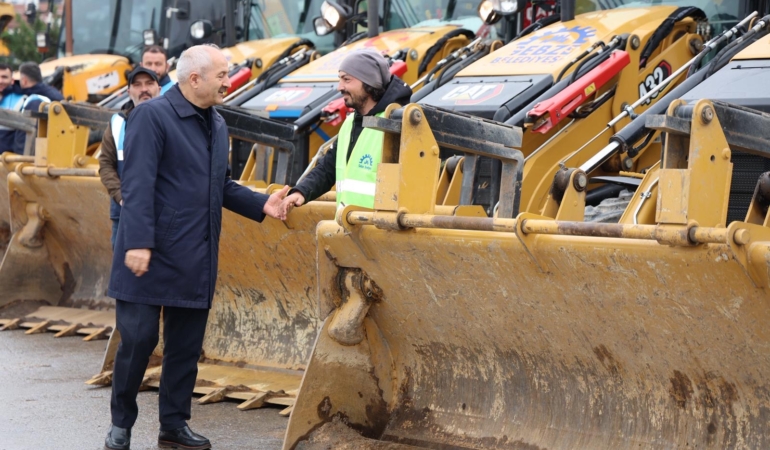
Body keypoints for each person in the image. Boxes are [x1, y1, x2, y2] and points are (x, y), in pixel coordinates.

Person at [103, 44, 289, 450]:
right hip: (148, 253)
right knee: (138, 341)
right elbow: (137, 183)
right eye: (222, 75)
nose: (228, 82)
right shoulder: (152, 116)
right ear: (194, 78)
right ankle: (121, 425)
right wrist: (138, 243)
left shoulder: (217, 123)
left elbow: (219, 184)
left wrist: (262, 203)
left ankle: (173, 425)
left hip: (194, 254)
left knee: (185, 349)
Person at [279, 49, 411, 216]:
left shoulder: (396, 124)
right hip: (349, 227)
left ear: (369, 83)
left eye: (346, 79)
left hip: (379, 228)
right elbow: (328, 167)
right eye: (340, 79)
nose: (340, 87)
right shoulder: (350, 122)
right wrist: (301, 192)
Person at [98, 66, 161, 249]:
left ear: (158, 88)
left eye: (149, 83)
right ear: (129, 92)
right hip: (125, 215)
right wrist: (121, 197)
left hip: (164, 214)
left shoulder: (173, 121)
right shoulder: (117, 123)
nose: (144, 89)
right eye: (137, 85)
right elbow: (105, 164)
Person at [0, 62, 63, 154]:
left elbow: (24, 136)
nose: (0, 81)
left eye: (4, 77)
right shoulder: (48, 94)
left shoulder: (28, 99)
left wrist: (20, 158)